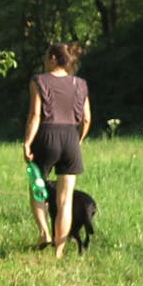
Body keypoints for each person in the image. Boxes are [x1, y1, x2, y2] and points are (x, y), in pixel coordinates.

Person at [22, 42, 91, 257]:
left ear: (53, 58)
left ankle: (45, 233)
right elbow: (87, 119)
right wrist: (78, 140)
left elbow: (35, 115)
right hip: (71, 137)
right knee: (65, 199)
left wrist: (27, 142)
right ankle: (59, 252)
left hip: (46, 136)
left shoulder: (39, 81)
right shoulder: (80, 84)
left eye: (46, 57)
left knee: (37, 188)